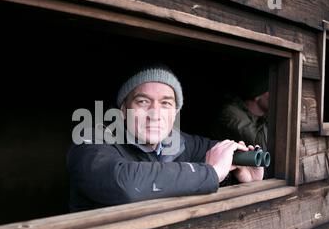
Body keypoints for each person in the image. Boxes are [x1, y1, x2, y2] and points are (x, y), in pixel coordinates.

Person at [67, 63, 263, 212]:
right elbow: (127, 185)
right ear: (123, 111)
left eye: (166, 103)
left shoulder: (183, 143)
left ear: (175, 113)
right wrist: (209, 172)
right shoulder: (91, 143)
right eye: (143, 102)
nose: (155, 113)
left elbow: (221, 156)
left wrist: (243, 180)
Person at [214, 66, 269, 152]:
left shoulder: (263, 117)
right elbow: (261, 144)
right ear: (257, 96)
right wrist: (277, 110)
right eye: (270, 90)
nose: (276, 95)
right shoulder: (230, 112)